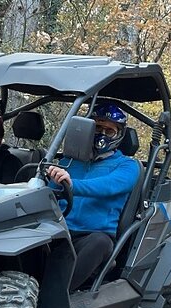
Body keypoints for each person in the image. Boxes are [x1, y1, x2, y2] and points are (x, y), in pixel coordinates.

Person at [47, 103, 141, 291]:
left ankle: (55, 295)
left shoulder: (127, 166)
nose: (102, 134)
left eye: (109, 130)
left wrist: (72, 184)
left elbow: (108, 186)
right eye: (97, 127)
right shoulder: (69, 161)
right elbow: (50, 192)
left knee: (99, 243)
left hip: (92, 236)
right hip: (59, 230)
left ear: (119, 135)